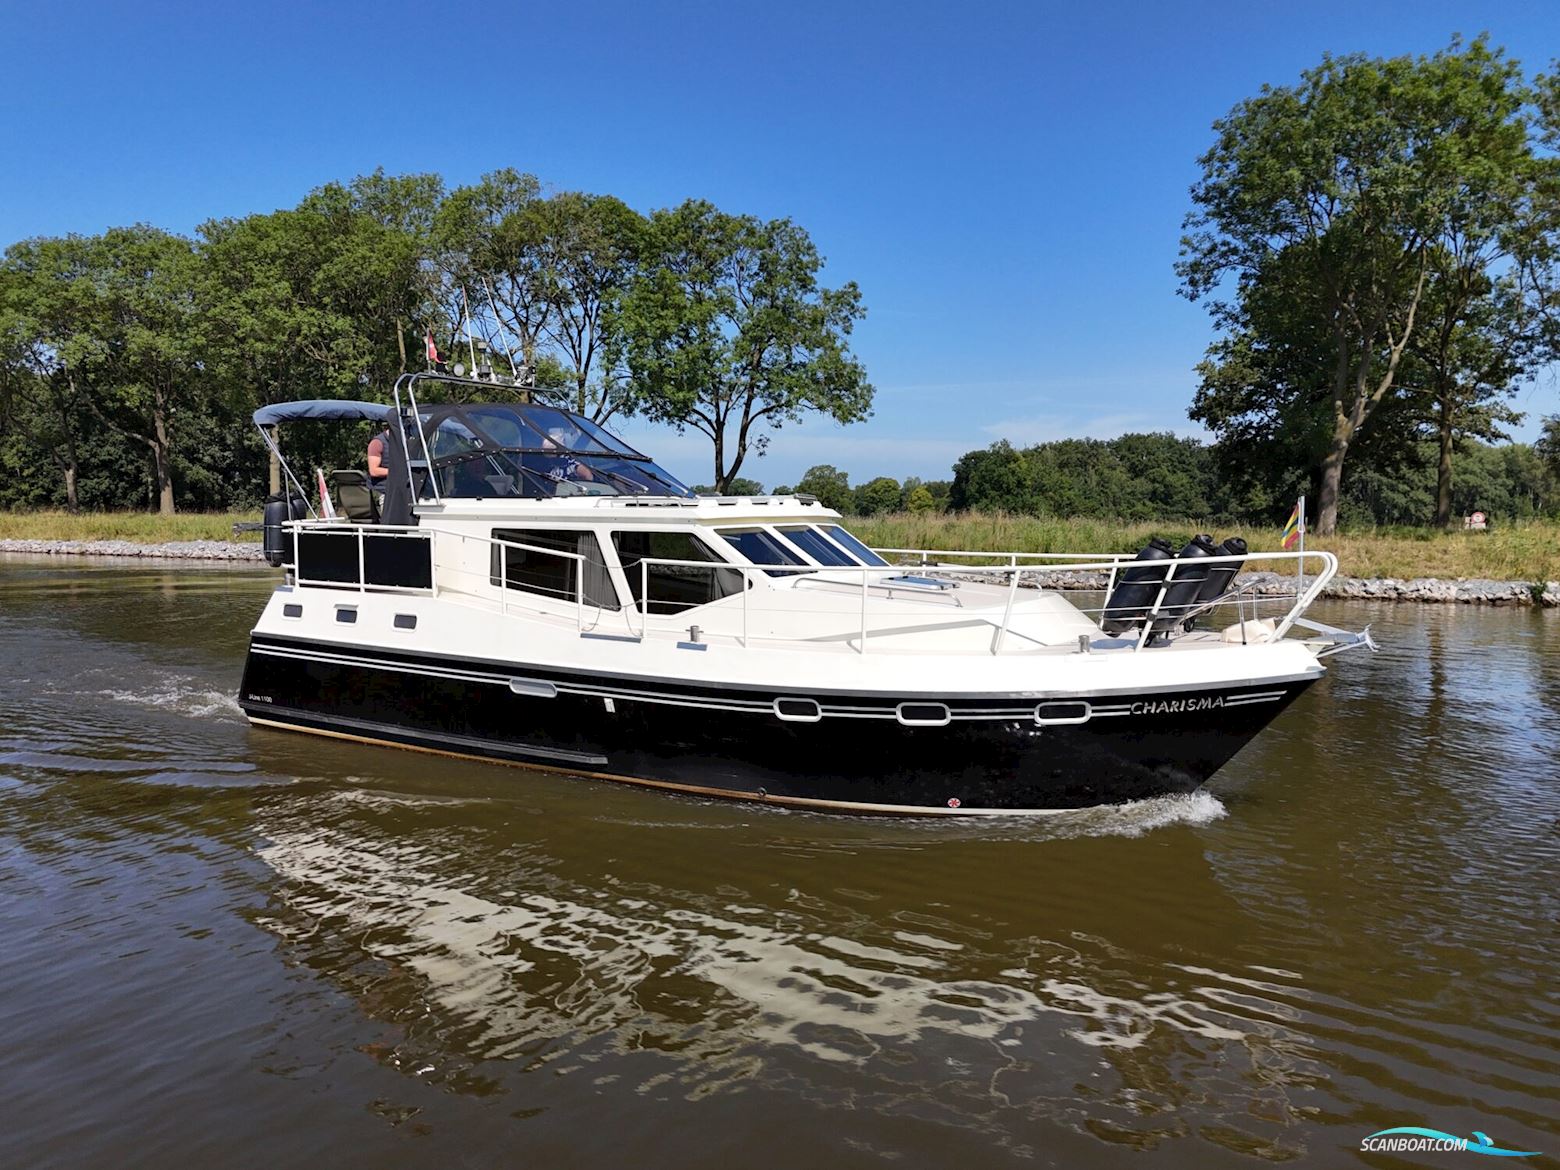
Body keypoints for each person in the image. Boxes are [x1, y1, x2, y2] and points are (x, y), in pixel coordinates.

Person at [366, 421, 393, 496]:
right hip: (382, 491)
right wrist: (397, 472)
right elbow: (374, 471)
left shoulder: (403, 442)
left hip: (400, 490)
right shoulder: (377, 442)